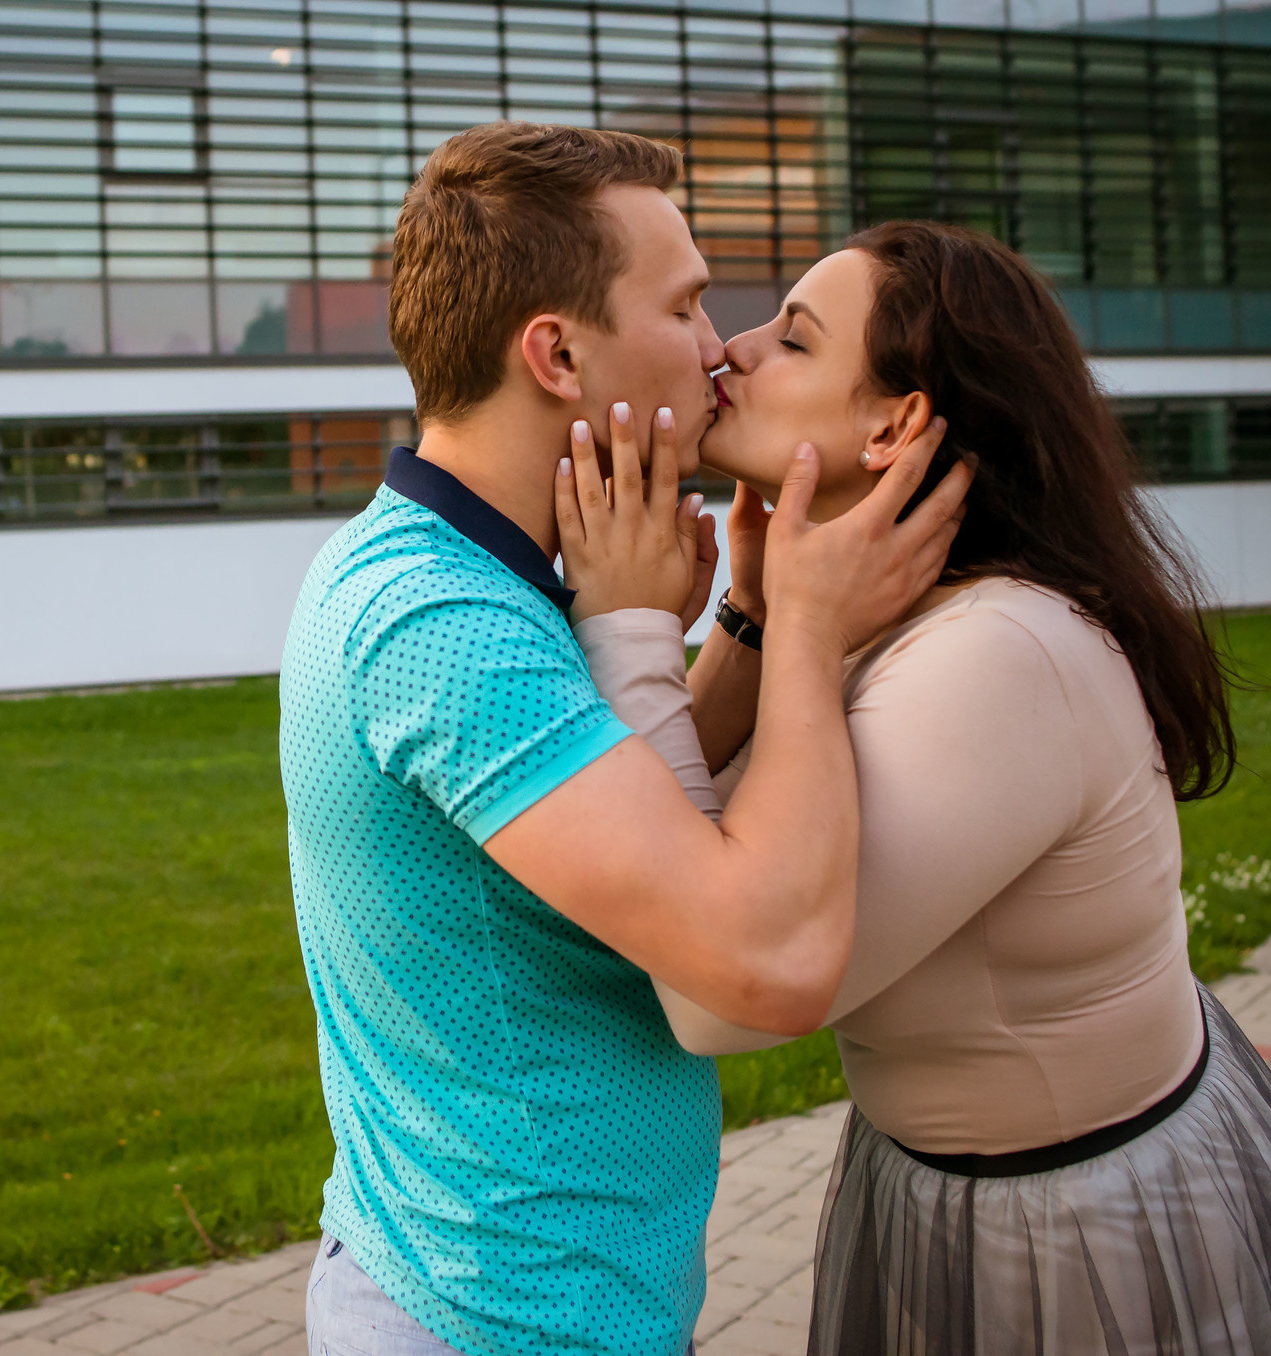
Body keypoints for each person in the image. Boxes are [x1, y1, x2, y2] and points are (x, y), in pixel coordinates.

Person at [562, 219, 1271, 1355]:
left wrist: (627, 632)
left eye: (795, 339)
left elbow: (722, 991)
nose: (733, 351)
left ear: (897, 422)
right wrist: (764, 619)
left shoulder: (998, 656)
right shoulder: (883, 614)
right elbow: (706, 832)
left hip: (1076, 1240)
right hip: (952, 1190)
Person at [278, 123, 971, 1356]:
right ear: (555, 352)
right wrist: (809, 623)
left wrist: (738, 614)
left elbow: (623, 816)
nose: (719, 350)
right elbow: (762, 960)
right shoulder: (436, 625)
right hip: (489, 1317)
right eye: (689, 303)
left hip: (546, 1305)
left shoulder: (490, 578)